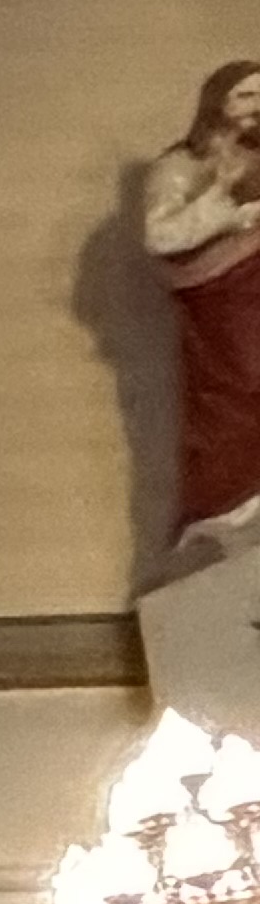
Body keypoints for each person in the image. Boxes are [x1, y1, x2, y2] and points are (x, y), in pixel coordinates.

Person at [145, 60, 260, 551]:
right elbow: (160, 235)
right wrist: (222, 202)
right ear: (217, 102)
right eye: (245, 96)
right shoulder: (179, 167)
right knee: (234, 401)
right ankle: (224, 512)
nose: (256, 108)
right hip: (220, 305)